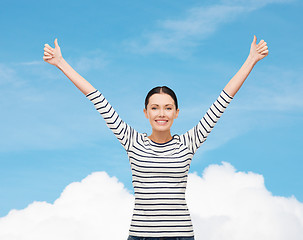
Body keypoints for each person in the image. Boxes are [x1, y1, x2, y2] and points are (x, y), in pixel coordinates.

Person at [43, 36, 268, 240]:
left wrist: (251, 60)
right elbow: (98, 99)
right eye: (155, 108)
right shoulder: (133, 141)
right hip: (140, 236)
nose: (162, 113)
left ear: (177, 113)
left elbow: (223, 100)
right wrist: (61, 63)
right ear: (146, 112)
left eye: (168, 108)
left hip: (180, 236)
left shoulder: (188, 143)